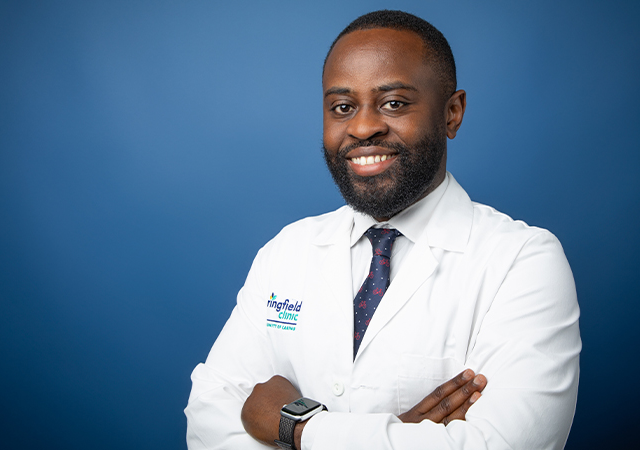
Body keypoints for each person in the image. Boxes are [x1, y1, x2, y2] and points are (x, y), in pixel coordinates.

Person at [185, 10, 580, 450]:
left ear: (452, 113)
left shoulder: (522, 262)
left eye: (394, 103)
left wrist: (298, 427)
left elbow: (502, 444)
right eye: (343, 107)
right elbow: (208, 420)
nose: (362, 127)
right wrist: (401, 435)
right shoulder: (287, 251)